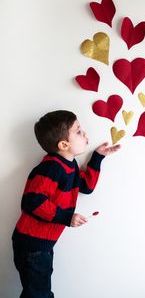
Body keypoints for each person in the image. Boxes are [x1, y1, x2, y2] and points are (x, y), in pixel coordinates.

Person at [12, 110, 120, 298]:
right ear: (63, 144)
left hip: (42, 244)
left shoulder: (70, 165)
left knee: (38, 291)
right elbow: (32, 200)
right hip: (32, 244)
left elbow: (86, 186)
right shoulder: (52, 168)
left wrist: (97, 157)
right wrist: (66, 217)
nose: (85, 133)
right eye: (78, 131)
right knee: (39, 293)